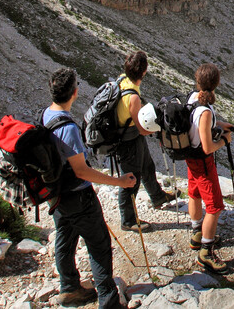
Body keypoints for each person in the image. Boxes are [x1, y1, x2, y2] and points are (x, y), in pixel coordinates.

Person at [43, 68, 137, 308]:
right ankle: (108, 299)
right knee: (99, 244)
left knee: (65, 239)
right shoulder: (69, 129)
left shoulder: (46, 115)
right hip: (79, 197)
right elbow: (82, 171)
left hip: (57, 195)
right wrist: (120, 181)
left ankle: (69, 288)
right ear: (74, 93)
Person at [113, 51, 176, 231]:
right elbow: (141, 128)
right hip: (128, 139)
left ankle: (157, 196)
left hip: (128, 134)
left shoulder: (122, 79)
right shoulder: (133, 97)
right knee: (131, 178)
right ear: (144, 72)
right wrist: (157, 129)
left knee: (147, 165)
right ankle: (128, 220)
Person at [185, 62, 234, 273]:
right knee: (214, 207)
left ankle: (198, 232)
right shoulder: (206, 111)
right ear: (216, 84)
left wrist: (219, 125)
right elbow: (207, 147)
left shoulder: (193, 98)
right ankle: (206, 252)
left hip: (189, 158)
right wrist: (225, 140)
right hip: (203, 163)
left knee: (194, 194)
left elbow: (197, 125)